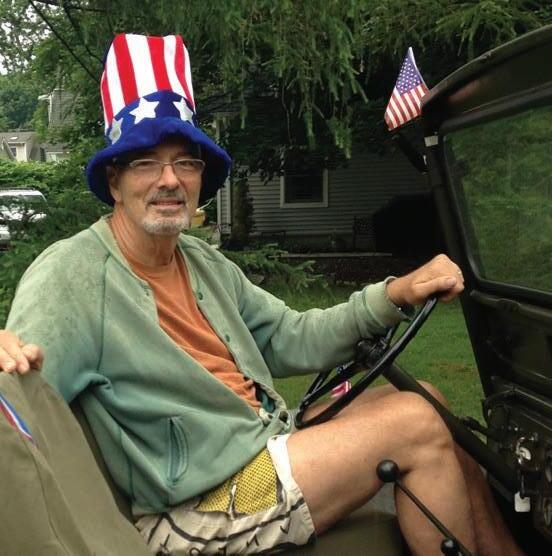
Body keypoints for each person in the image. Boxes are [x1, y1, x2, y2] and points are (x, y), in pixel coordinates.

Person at [0, 33, 521, 556]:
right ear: (114, 181)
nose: (169, 180)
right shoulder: (71, 275)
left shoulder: (201, 262)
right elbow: (20, 397)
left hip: (263, 444)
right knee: (414, 427)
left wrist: (395, 294)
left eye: (185, 162)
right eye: (145, 162)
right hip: (196, 507)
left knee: (430, 403)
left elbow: (291, 335)